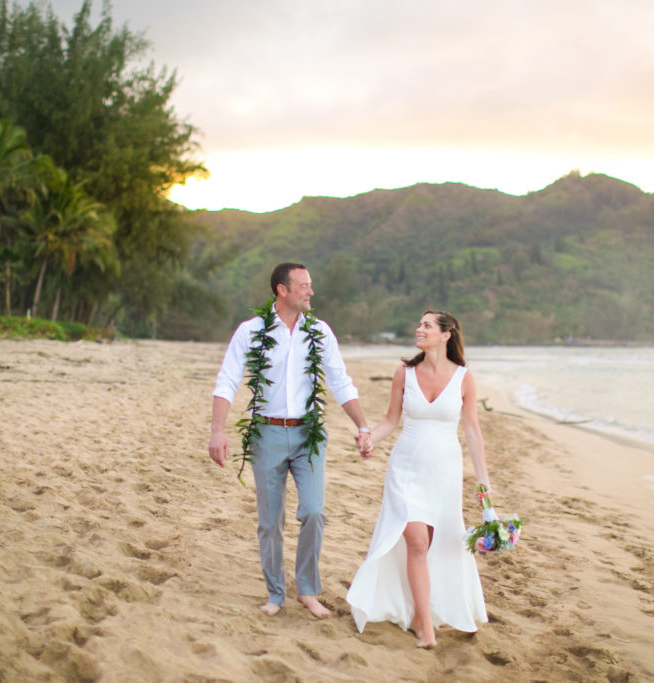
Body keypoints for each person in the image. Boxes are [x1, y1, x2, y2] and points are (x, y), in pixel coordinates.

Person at [208, 262, 373, 618]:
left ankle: (307, 590)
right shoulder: (251, 330)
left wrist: (362, 426)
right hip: (266, 432)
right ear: (282, 290)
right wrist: (217, 430)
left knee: (314, 511)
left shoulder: (320, 331)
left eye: (310, 285)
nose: (311, 291)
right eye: (304, 286)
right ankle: (275, 593)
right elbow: (227, 380)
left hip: (308, 434)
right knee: (270, 521)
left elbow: (340, 381)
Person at [346, 310, 491, 648]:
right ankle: (426, 627)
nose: (419, 329)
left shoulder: (464, 377)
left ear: (446, 334)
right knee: (416, 543)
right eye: (419, 324)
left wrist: (483, 483)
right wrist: (369, 439)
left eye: (427, 325)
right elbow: (390, 420)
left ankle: (417, 616)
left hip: (444, 473)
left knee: (436, 545)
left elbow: (473, 432)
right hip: (405, 469)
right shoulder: (405, 373)